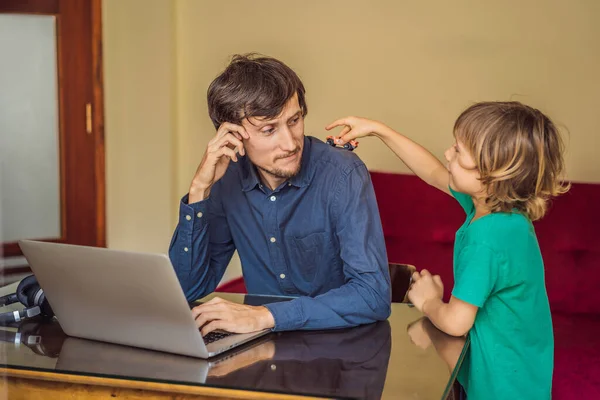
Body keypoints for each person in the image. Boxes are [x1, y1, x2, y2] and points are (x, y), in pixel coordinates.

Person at [326, 101, 569, 399]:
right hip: (523, 372)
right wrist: (379, 130)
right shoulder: (499, 211)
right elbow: (432, 171)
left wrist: (428, 301)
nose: (447, 154)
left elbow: (456, 322)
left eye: (458, 152)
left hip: (503, 386)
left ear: (492, 176)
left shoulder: (488, 237)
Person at [168, 54, 391, 336]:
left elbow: (372, 296)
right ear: (233, 135)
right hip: (260, 347)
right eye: (269, 129)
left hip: (338, 348)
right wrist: (200, 190)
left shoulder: (342, 174)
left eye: (294, 120)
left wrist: (265, 316)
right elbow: (186, 289)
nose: (289, 143)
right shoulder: (228, 179)